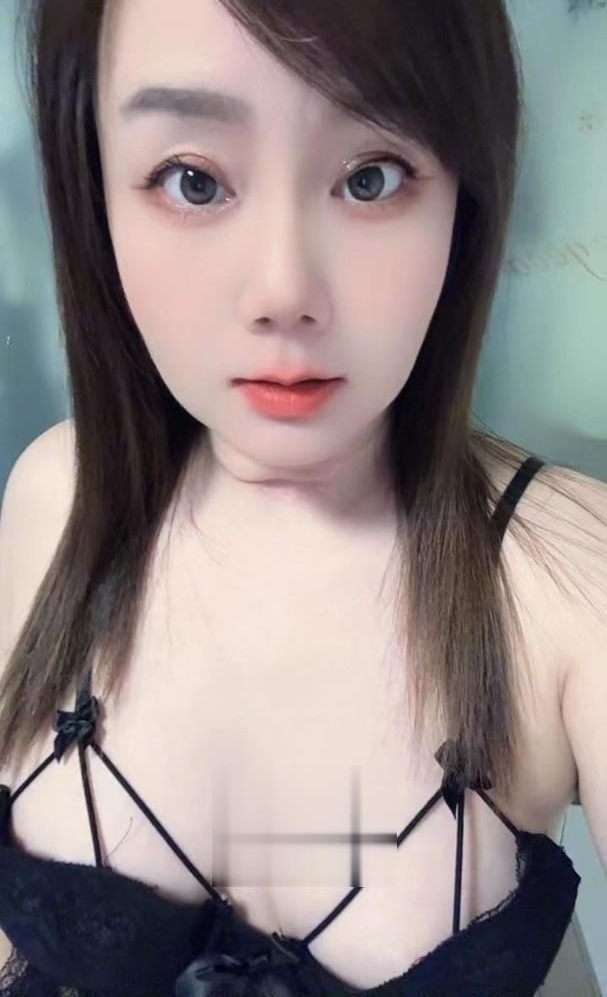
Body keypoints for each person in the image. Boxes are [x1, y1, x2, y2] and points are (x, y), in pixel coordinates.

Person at [0, 1, 605, 994]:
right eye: (193, 180)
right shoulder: (55, 496)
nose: (283, 290)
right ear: (92, 190)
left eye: (370, 177)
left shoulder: (569, 577)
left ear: (465, 194)